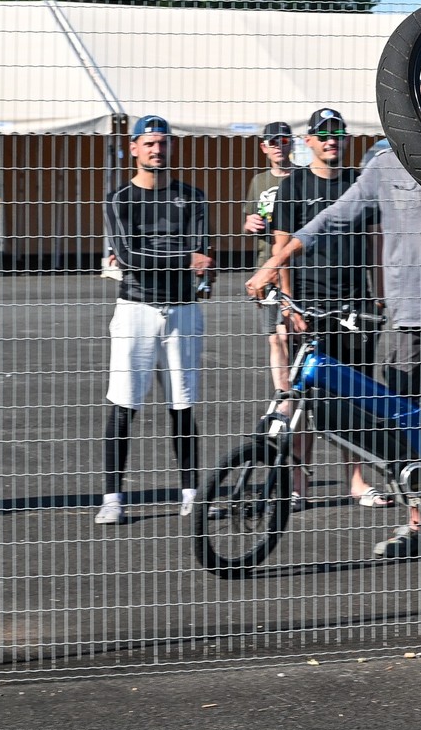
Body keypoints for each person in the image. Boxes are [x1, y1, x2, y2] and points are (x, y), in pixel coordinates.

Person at [248, 141, 421, 576]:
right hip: (410, 316)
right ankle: (418, 528)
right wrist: (275, 263)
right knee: (408, 425)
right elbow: (332, 218)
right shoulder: (385, 166)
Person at [98, 114, 213, 525]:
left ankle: (191, 493)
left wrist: (192, 266)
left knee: (182, 405)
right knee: (123, 404)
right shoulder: (118, 200)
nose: (156, 150)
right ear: (134, 148)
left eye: (162, 143)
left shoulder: (194, 199)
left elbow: (203, 261)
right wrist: (184, 260)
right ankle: (113, 496)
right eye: (148, 143)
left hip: (183, 311)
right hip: (135, 311)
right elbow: (129, 259)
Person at [269, 108, 381, 508]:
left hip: (355, 308)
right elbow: (281, 246)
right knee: (304, 399)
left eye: (339, 133)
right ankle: (298, 483)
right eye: (324, 134)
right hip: (310, 308)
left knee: (353, 399)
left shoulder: (358, 183)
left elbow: (375, 243)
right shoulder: (294, 185)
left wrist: (379, 297)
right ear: (310, 141)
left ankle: (357, 481)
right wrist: (289, 305)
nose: (332, 140)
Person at [241, 121, 294, 397]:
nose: (279, 147)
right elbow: (250, 218)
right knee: (274, 336)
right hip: (266, 265)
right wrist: (249, 223)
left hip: (295, 266)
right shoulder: (259, 181)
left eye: (284, 141)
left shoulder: (301, 177)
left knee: (291, 333)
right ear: (264, 148)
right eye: (273, 142)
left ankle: (297, 387)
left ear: (292, 144)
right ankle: (281, 391)